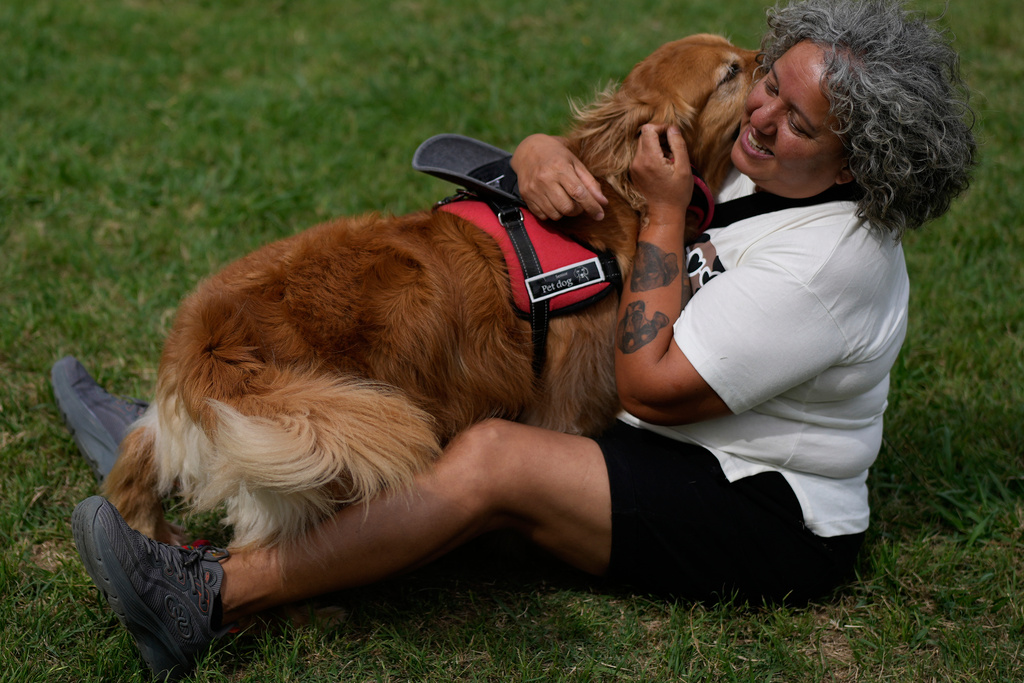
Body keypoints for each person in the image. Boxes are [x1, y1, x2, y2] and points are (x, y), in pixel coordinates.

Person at [65, 0, 976, 679]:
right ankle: (191, 438)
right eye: (766, 81)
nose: (766, 113)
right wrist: (540, 148)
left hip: (758, 509)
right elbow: (619, 158)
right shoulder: (759, 168)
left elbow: (651, 385)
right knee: (457, 392)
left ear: (857, 160)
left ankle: (207, 595)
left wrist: (662, 219)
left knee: (493, 456)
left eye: (797, 117)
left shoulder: (836, 259)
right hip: (665, 440)